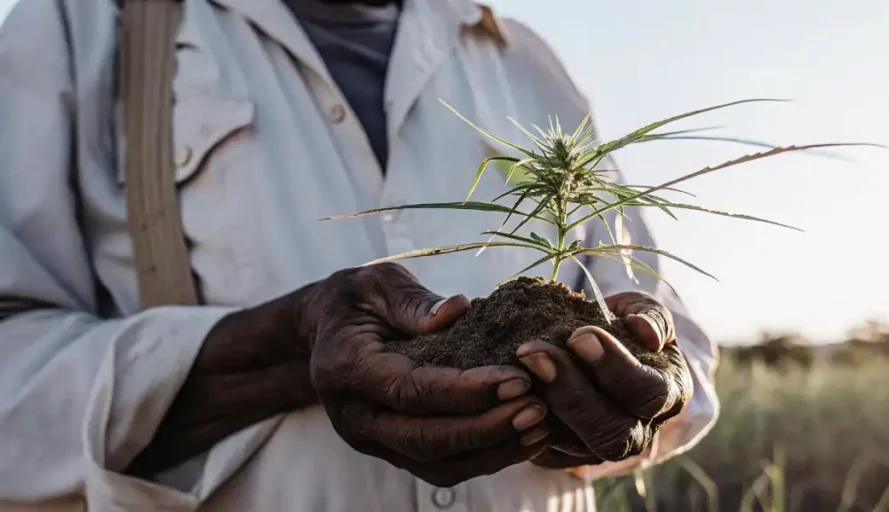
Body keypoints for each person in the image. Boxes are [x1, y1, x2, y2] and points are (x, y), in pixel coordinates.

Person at [0, 0, 720, 510]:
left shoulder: (523, 61)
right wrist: (281, 353)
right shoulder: (85, 24)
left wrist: (648, 379)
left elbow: (667, 332)